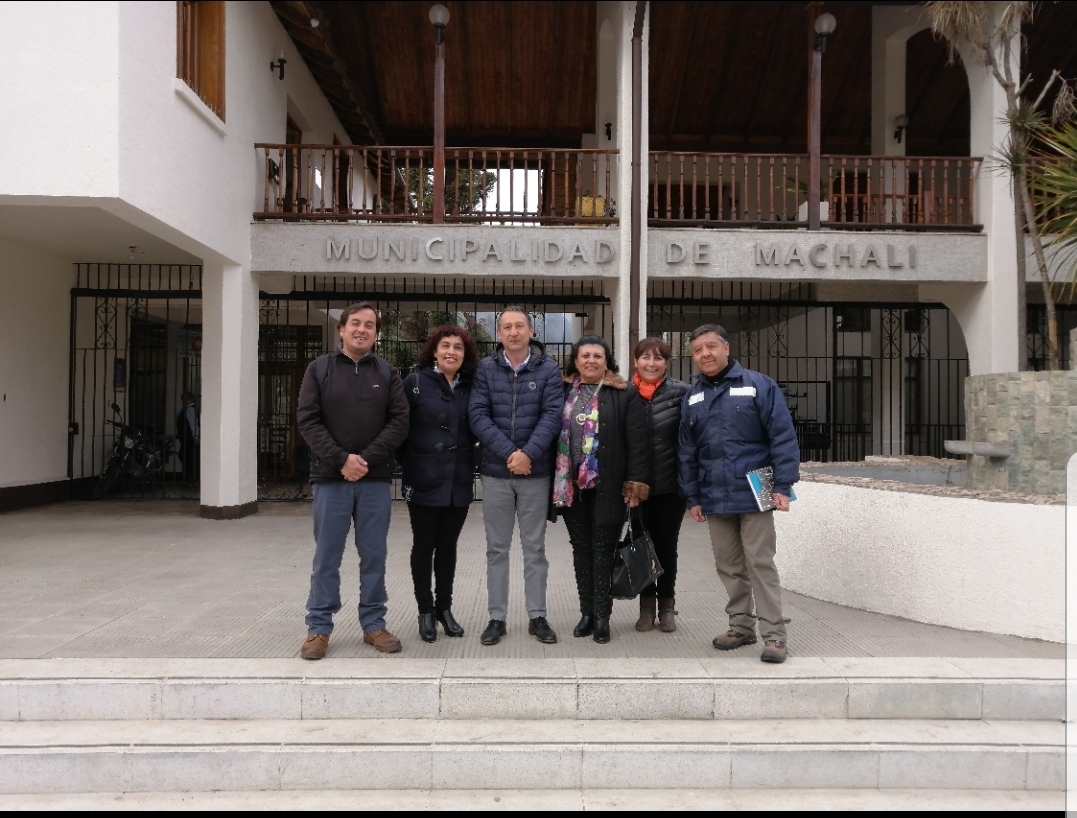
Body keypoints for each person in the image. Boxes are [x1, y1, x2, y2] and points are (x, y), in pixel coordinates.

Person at [678, 324, 800, 664]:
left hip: (755, 489)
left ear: (726, 348)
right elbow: (687, 451)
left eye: (711, 346)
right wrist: (693, 496)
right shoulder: (693, 397)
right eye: (698, 349)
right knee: (729, 565)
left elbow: (782, 436)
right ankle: (741, 627)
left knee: (760, 562)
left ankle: (774, 636)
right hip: (714, 494)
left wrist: (783, 485)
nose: (705, 354)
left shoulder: (759, 386)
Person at [295, 302, 409, 659]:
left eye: (370, 325)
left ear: (376, 333)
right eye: (355, 323)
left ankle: (373, 624)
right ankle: (318, 627)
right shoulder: (320, 369)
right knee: (327, 556)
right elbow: (308, 420)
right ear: (341, 330)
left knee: (374, 555)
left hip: (374, 481)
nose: (362, 329)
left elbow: (400, 421)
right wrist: (342, 460)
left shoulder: (388, 372)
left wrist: (366, 460)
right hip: (331, 479)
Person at [468, 306, 564, 646]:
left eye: (519, 326)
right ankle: (497, 617)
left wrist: (528, 454)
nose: (513, 332)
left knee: (534, 549)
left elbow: (553, 416)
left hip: (535, 474)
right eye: (506, 327)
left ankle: (537, 615)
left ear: (530, 331)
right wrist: (511, 454)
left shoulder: (549, 370)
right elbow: (477, 415)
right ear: (499, 333)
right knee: (497, 549)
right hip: (496, 474)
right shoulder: (485, 369)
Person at [553, 335, 649, 644]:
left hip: (607, 485)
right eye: (585, 356)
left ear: (606, 361)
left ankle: (603, 617)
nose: (591, 360)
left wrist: (635, 484)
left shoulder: (624, 393)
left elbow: (637, 442)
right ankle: (586, 613)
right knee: (581, 549)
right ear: (576, 361)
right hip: (570, 486)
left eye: (597, 355)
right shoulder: (563, 391)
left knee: (603, 550)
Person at [399, 325, 480, 643]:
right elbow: (399, 431)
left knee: (448, 548)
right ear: (434, 350)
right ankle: (425, 610)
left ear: (465, 354)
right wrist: (413, 462)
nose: (451, 352)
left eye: (458, 347)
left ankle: (444, 608)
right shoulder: (415, 383)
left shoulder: (471, 388)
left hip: (458, 480)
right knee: (423, 546)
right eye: (445, 345)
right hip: (423, 480)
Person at [631, 338, 690, 633]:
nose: (651, 363)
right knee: (642, 546)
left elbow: (692, 438)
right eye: (645, 357)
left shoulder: (682, 393)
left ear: (666, 363)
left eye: (658, 358)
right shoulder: (625, 393)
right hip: (636, 488)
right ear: (635, 361)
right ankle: (646, 607)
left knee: (667, 547)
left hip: (671, 487)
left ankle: (667, 605)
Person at [176, 391, 199, 485]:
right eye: (183, 399)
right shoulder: (186, 409)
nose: (184, 401)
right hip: (186, 437)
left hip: (188, 437)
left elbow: (193, 424)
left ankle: (190, 478)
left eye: (186, 399)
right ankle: (189, 477)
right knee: (186, 456)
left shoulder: (190, 410)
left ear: (191, 399)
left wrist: (196, 436)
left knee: (186, 456)